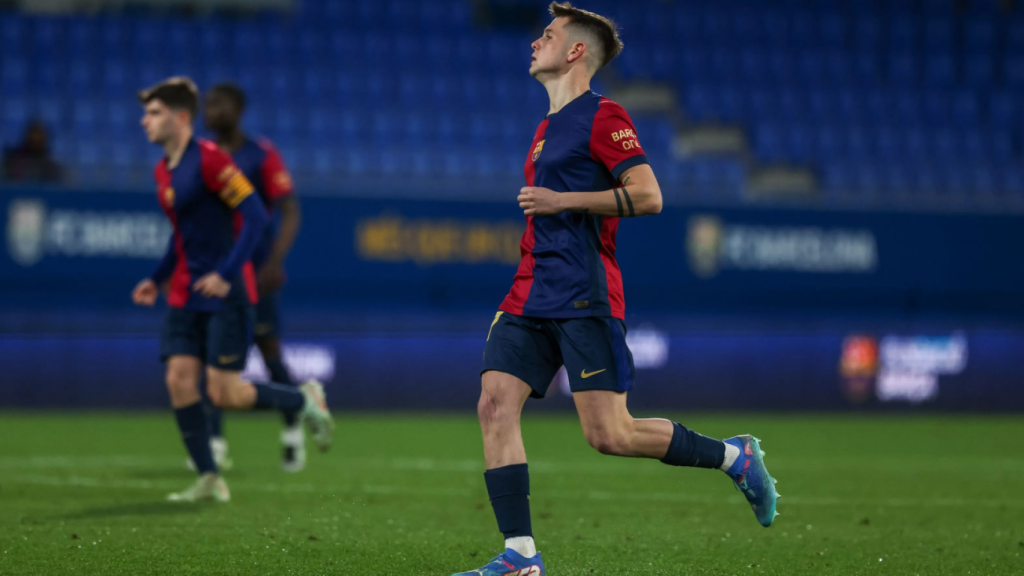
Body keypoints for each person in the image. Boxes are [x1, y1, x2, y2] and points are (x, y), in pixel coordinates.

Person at [454, 4, 778, 575]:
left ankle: (735, 456)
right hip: (529, 292)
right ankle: (520, 557)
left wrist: (564, 201)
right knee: (493, 404)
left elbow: (649, 195)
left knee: (611, 434)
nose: (535, 42)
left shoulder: (604, 116)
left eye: (548, 35)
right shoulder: (545, 127)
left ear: (576, 51)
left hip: (584, 293)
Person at [131, 77, 333, 503]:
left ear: (179, 118)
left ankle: (302, 398)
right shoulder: (162, 170)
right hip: (186, 292)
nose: (143, 120)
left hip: (225, 292)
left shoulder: (211, 161)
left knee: (228, 393)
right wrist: (156, 276)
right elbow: (180, 236)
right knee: (179, 379)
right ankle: (209, 476)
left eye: (153, 113)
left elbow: (257, 215)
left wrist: (226, 272)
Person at [198, 83, 306, 472]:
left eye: (219, 104)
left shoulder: (260, 155)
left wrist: (274, 262)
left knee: (270, 355)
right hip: (211, 273)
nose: (211, 110)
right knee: (206, 360)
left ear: (238, 109)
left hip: (254, 273)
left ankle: (294, 428)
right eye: (208, 104)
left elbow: (290, 210)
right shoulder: (201, 156)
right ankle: (214, 445)